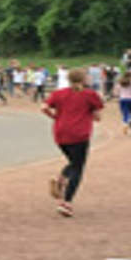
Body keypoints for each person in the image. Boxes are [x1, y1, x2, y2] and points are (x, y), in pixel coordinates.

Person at [41, 67, 103, 218]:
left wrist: (55, 117)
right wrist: (92, 116)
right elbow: (97, 115)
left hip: (61, 133)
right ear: (84, 79)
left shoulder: (59, 93)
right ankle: (66, 203)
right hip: (79, 134)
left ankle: (62, 178)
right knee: (78, 168)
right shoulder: (90, 94)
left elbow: (44, 107)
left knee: (73, 162)